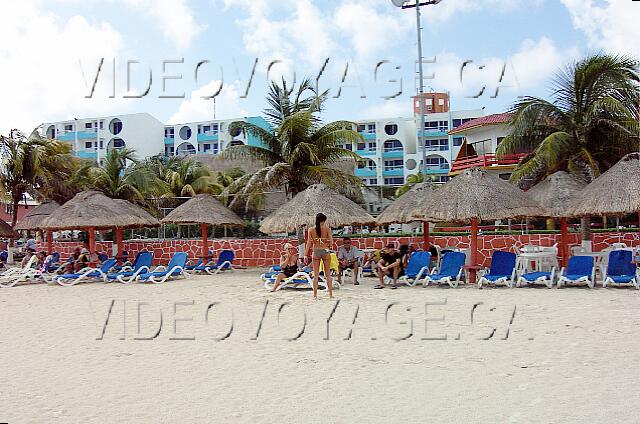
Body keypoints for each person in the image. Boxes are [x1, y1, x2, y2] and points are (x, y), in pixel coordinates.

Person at [304, 213, 334, 299]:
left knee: (316, 274)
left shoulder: (311, 230)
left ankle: (315, 295)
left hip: (316, 251)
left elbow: (309, 243)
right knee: (328, 274)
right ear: (323, 220)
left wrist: (305, 254)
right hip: (325, 250)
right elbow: (331, 242)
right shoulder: (327, 229)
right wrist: (326, 243)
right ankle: (330, 294)